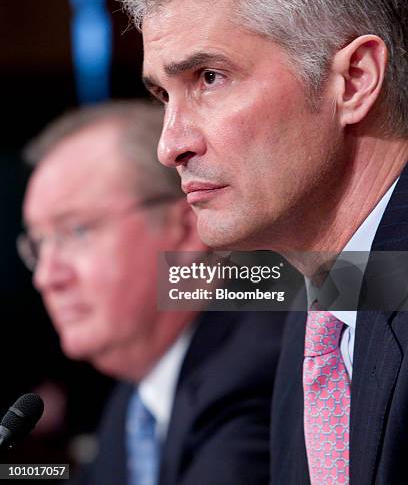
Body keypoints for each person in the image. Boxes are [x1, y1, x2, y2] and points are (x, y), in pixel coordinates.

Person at [119, 0, 408, 484]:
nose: (170, 144)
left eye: (210, 77)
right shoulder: (317, 314)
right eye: (162, 96)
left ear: (354, 80)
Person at [20, 100, 285, 485]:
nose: (47, 276)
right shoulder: (135, 400)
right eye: (39, 246)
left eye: (75, 231)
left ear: (185, 229)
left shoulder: (253, 373)